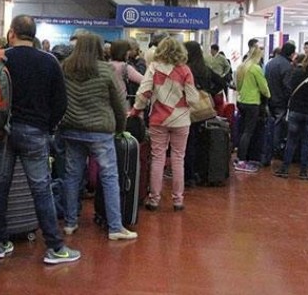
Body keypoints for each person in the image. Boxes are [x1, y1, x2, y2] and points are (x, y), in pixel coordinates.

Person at [0, 15, 79, 264]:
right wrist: (47, 127)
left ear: (11, 33)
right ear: (34, 34)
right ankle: (55, 247)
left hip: (2, 131)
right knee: (41, 189)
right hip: (35, 131)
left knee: (0, 186)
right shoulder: (49, 61)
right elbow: (61, 102)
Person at [60, 34, 137, 241]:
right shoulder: (105, 70)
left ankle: (70, 223)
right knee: (109, 177)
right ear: (99, 48)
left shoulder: (66, 68)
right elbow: (119, 103)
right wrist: (120, 127)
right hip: (100, 130)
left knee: (72, 176)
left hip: (71, 128)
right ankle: (115, 227)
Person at [130, 38, 199, 211]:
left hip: (158, 120)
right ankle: (178, 200)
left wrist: (135, 111)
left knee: (158, 158)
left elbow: (144, 92)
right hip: (181, 119)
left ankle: (154, 199)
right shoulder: (185, 70)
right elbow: (193, 98)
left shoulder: (154, 68)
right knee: (178, 158)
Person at [273, 50, 308, 180]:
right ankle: (303, 171)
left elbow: (290, 87)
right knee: (307, 142)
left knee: (291, 140)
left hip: (296, 110)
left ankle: (285, 169)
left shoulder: (297, 73)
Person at [184, 41, 225, 185]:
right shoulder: (205, 69)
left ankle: (188, 175)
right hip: (203, 110)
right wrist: (208, 93)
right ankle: (200, 172)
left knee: (188, 142)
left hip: (188, 109)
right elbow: (222, 82)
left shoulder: (185, 69)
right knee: (201, 141)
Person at [234, 46, 271, 172]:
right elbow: (264, 87)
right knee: (248, 132)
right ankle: (242, 161)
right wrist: (268, 95)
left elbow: (238, 86)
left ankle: (240, 157)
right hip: (252, 103)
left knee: (243, 130)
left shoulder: (241, 67)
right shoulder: (255, 68)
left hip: (241, 101)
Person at [264, 42, 295, 164]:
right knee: (278, 127)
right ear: (291, 53)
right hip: (280, 101)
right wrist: (288, 98)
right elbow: (287, 85)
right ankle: (275, 150)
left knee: (270, 126)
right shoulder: (287, 66)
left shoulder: (270, 63)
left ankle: (267, 151)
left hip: (269, 98)